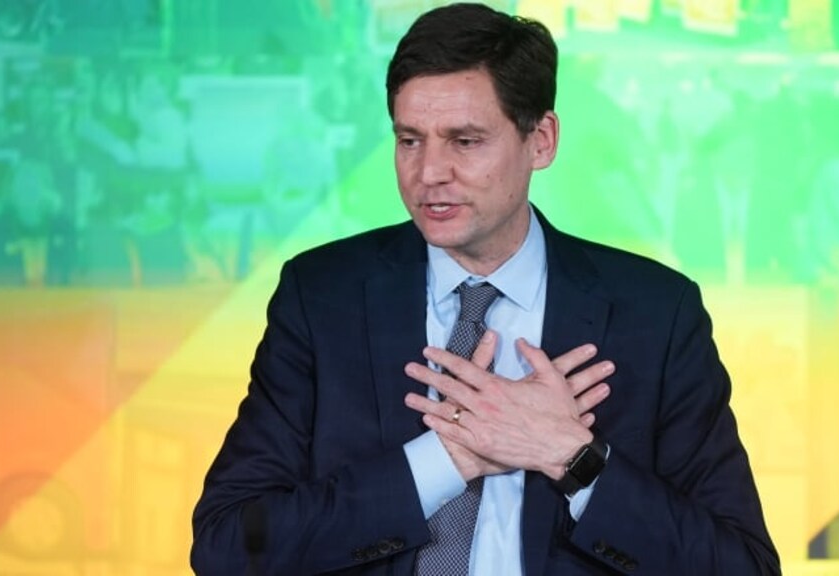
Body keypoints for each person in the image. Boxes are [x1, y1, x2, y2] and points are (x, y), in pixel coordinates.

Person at [190, 3, 780, 575]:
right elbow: (228, 545)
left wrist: (569, 456)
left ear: (541, 140)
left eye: (465, 141)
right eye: (410, 140)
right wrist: (446, 458)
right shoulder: (323, 296)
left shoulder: (655, 313)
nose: (429, 173)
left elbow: (742, 565)